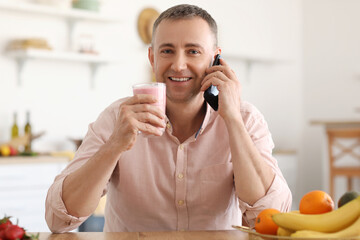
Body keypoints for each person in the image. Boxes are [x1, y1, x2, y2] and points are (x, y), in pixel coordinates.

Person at [45, 4, 292, 233]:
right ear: (153, 58)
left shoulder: (246, 119)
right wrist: (115, 145)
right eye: (167, 51)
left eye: (193, 51)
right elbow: (58, 220)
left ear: (215, 59)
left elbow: (273, 215)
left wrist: (233, 121)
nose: (179, 65)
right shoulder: (116, 118)